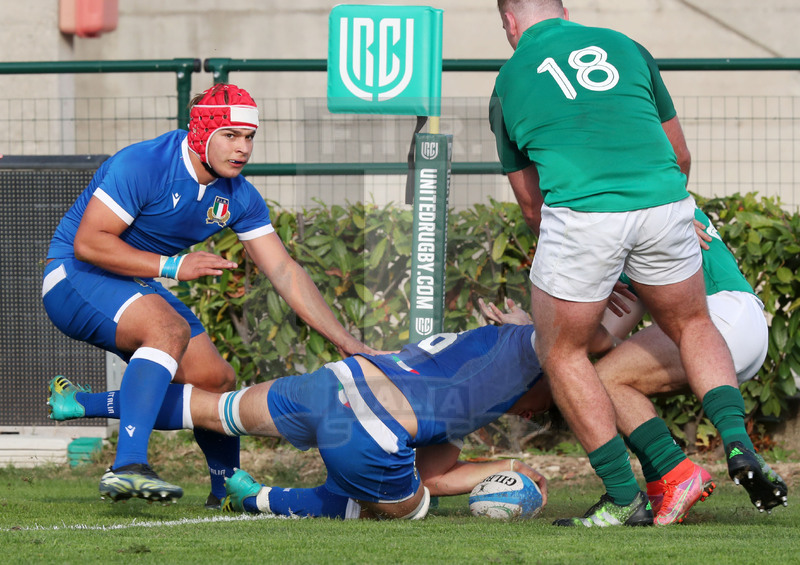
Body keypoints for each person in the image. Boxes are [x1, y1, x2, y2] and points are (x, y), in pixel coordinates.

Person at [489, 0, 786, 526]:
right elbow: (681, 157)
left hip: (584, 213)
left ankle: (622, 495)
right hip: (665, 203)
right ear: (562, 8)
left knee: (560, 353)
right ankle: (735, 443)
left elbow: (533, 205)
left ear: (509, 21)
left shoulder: (510, 80)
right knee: (692, 322)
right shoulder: (627, 46)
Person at [42, 83, 376, 507]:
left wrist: (347, 343)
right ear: (201, 133)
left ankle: (223, 491)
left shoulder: (240, 196)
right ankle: (126, 467)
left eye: (250, 137)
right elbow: (89, 243)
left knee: (215, 381)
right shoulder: (144, 163)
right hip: (72, 275)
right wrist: (172, 267)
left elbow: (284, 271)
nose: (243, 148)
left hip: (134, 282)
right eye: (230, 135)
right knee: (168, 329)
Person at [48, 323, 550, 519]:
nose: (537, 413)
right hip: (369, 429)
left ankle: (83, 403)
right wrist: (505, 471)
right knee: (403, 508)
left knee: (212, 408)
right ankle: (256, 497)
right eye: (548, 399)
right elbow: (434, 479)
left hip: (330, 383)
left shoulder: (471, 349)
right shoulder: (510, 367)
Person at [480, 209, 787, 525]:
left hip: (720, 317)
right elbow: (604, 342)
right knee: (618, 379)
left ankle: (678, 475)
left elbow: (588, 336)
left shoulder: (632, 216)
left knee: (604, 381)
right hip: (745, 331)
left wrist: (530, 330)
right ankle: (690, 474)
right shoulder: (648, 217)